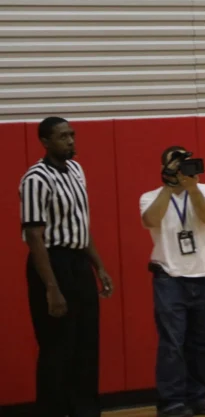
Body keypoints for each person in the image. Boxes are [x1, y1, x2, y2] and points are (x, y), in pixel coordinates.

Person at [19, 116, 115, 417]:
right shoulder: (35, 179)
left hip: (78, 262)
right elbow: (34, 236)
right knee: (57, 347)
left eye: (72, 135)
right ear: (45, 141)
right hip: (51, 263)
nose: (71, 141)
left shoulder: (76, 170)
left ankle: (85, 411)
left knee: (86, 344)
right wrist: (52, 288)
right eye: (63, 136)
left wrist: (98, 267)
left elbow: (81, 227)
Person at [140, 147, 205, 417]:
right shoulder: (150, 197)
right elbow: (150, 219)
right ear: (165, 167)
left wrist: (193, 189)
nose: (182, 169)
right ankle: (171, 403)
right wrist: (168, 187)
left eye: (186, 164)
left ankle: (196, 397)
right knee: (172, 344)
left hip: (204, 276)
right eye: (177, 165)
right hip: (169, 278)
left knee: (203, 344)